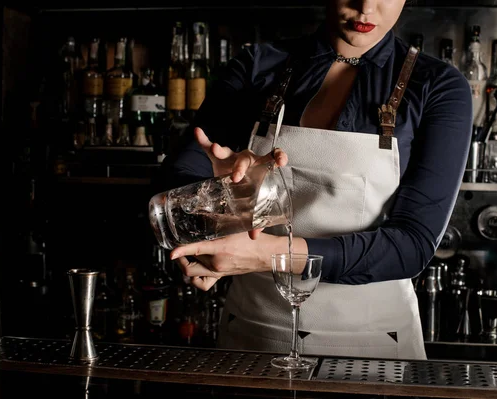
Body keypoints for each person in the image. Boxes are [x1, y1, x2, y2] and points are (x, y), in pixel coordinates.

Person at [162, 0, 472, 360]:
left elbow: (410, 245)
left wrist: (268, 256)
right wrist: (214, 196)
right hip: (251, 338)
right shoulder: (256, 67)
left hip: (374, 347)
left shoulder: (438, 86)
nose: (366, 7)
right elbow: (174, 185)